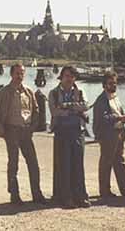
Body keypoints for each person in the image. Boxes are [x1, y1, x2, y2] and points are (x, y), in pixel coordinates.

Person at [0, 62, 47, 205]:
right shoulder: (3, 92)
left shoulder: (28, 91)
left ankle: (37, 194)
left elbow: (36, 110)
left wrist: (33, 127)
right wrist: (0, 130)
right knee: (13, 164)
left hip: (26, 131)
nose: (19, 76)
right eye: (17, 73)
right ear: (12, 74)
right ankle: (14, 195)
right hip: (11, 130)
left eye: (22, 73)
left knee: (33, 164)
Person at [48, 65, 91, 208]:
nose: (69, 79)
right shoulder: (53, 93)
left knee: (78, 165)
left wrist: (67, 106)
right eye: (66, 76)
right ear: (61, 76)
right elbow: (54, 111)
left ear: (75, 78)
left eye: (71, 76)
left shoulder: (81, 91)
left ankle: (81, 196)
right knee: (64, 165)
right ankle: (66, 197)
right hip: (61, 131)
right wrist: (72, 110)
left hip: (78, 131)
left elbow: (85, 106)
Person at [93, 71, 125, 198]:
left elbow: (118, 113)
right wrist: (118, 118)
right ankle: (105, 191)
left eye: (115, 83)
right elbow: (102, 118)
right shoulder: (101, 100)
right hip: (108, 134)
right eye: (110, 83)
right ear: (104, 85)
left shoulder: (115, 98)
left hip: (118, 133)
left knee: (120, 161)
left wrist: (122, 121)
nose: (113, 85)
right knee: (106, 163)